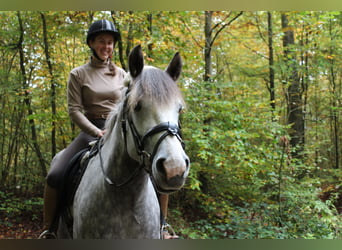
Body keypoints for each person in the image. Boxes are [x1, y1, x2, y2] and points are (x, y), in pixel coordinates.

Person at [39, 19, 177, 239]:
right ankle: (50, 229)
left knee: (153, 167)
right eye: (102, 41)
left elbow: (132, 107)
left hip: (120, 132)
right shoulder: (78, 74)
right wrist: (96, 132)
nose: (107, 46)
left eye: (110, 42)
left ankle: (162, 226)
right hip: (91, 129)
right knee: (56, 174)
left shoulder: (124, 75)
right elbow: (74, 110)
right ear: (92, 43)